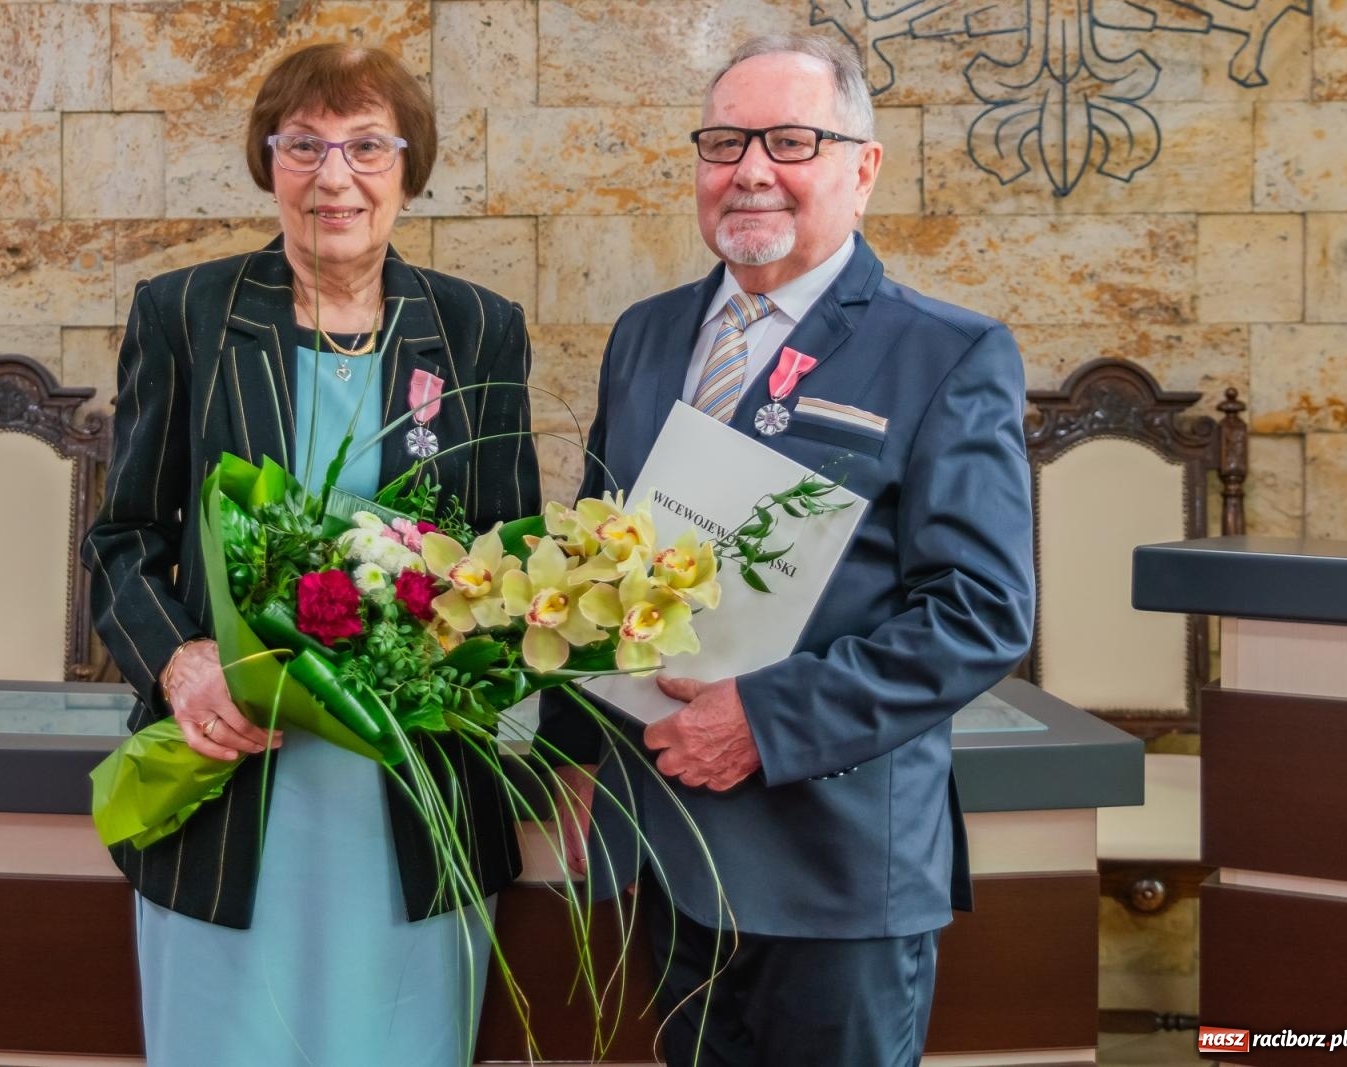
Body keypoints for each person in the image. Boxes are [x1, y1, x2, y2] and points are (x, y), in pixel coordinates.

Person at [542, 32, 1036, 1067]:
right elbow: (595, 557)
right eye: (724, 142)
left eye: (791, 141)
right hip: (666, 848)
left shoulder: (946, 354)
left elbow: (981, 610)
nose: (750, 169)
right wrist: (578, 754)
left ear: (864, 168)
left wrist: (765, 720)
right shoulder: (646, 335)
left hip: (832, 864)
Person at [83, 43, 540, 1067]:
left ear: (410, 168)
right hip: (237, 785)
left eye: (367, 146)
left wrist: (465, 662)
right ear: (269, 161)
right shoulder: (188, 314)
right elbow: (123, 537)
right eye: (304, 145)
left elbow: (509, 554)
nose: (335, 177)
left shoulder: (476, 329)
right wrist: (181, 662)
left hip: (413, 790)